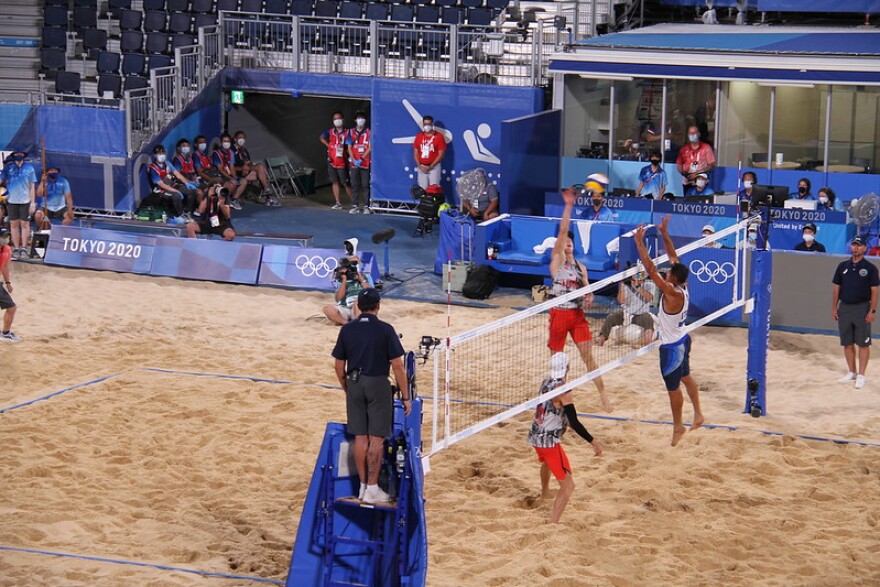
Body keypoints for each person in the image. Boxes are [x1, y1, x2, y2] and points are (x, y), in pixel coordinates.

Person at [332, 288, 411, 505]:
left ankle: (363, 487)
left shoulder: (347, 330)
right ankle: (374, 488)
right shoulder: (386, 330)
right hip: (377, 383)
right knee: (377, 439)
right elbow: (397, 366)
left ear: (358, 305)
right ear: (378, 306)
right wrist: (406, 396)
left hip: (355, 383)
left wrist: (347, 387)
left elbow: (339, 366)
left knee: (360, 437)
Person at [634, 215, 704, 447]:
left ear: (673, 279)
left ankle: (678, 426)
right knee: (687, 377)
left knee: (673, 389)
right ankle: (699, 413)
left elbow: (650, 269)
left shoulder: (671, 293)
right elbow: (673, 255)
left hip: (672, 348)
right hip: (683, 338)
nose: (666, 274)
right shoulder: (682, 284)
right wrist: (664, 232)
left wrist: (639, 243)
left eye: (668, 274)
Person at [548, 185, 611, 412]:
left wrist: (589, 296)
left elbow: (588, 290)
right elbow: (564, 230)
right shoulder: (557, 261)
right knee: (558, 363)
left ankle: (603, 394)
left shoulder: (581, 267)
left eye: (570, 242)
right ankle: (558, 399)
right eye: (565, 241)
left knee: (588, 358)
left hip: (576, 315)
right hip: (559, 313)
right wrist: (568, 206)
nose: (567, 243)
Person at [528, 352, 602, 524]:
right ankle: (553, 522)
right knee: (568, 486)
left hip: (535, 435)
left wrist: (564, 421)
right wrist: (593, 441)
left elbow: (553, 410)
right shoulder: (565, 391)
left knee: (546, 462)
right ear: (567, 367)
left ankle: (545, 492)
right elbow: (574, 422)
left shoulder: (546, 381)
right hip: (548, 442)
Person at [832, 236, 879, 390]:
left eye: (859, 246)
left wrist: (872, 310)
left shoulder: (871, 268)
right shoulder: (842, 266)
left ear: (864, 248)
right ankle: (851, 372)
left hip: (862, 308)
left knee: (863, 344)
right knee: (847, 342)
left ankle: (861, 374)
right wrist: (834, 307)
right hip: (845, 307)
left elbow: (874, 291)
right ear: (851, 247)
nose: (856, 248)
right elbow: (836, 287)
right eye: (854, 245)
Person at [595, 270, 657, 347]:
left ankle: (647, 346)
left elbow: (648, 298)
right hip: (626, 314)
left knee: (648, 320)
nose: (637, 278)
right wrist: (622, 284)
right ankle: (600, 344)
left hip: (641, 314)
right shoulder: (627, 286)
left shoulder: (649, 285)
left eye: (639, 276)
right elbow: (621, 301)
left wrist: (637, 286)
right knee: (610, 318)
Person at [0, 150, 36, 259]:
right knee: (13, 225)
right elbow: (1, 180)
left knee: (25, 225)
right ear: (13, 156)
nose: (18, 156)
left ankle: (24, 248)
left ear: (24, 155)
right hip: (12, 200)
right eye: (16, 154)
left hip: (25, 200)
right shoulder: (8, 168)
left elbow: (32, 186)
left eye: (20, 154)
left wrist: (33, 203)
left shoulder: (30, 168)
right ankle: (16, 248)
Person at [147, 144, 198, 220]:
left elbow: (177, 174)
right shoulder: (153, 168)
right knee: (176, 196)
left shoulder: (167, 163)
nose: (162, 155)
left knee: (192, 191)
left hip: (173, 185)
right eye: (159, 154)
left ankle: (187, 212)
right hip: (161, 190)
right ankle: (180, 215)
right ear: (155, 155)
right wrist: (176, 191)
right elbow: (162, 185)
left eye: (163, 153)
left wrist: (186, 183)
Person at [323, 253, 371, 325]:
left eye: (356, 263)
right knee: (326, 308)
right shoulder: (341, 278)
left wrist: (361, 280)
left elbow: (371, 293)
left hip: (360, 308)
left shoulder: (364, 277)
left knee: (358, 301)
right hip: (345, 308)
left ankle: (356, 322)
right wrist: (344, 280)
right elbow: (338, 298)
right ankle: (346, 323)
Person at [232, 130, 278, 207]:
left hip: (246, 173)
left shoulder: (244, 151)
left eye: (243, 138)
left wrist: (248, 165)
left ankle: (268, 198)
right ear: (234, 139)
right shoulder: (232, 150)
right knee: (260, 168)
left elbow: (249, 162)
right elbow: (231, 167)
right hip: (236, 173)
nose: (242, 140)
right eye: (239, 138)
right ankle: (268, 194)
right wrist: (242, 168)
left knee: (260, 170)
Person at [320, 112, 351, 210]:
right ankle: (338, 202)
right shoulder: (330, 131)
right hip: (332, 160)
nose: (337, 120)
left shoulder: (348, 132)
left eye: (339, 118)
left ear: (343, 119)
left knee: (346, 183)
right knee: (334, 181)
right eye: (335, 119)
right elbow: (321, 137)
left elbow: (351, 144)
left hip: (342, 160)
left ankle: (354, 203)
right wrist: (328, 145)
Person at [346, 111, 372, 214]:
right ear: (355, 120)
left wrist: (361, 158)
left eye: (362, 118)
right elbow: (349, 147)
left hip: (365, 162)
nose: (360, 120)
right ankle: (355, 205)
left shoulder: (369, 132)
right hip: (354, 163)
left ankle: (366, 206)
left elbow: (370, 147)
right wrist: (354, 159)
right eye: (359, 118)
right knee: (355, 184)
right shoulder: (350, 132)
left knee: (365, 184)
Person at [675, 125, 716, 190]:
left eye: (694, 133)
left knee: (701, 199)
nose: (692, 135)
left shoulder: (706, 147)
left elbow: (711, 165)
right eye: (690, 133)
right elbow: (679, 165)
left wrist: (698, 173)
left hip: (701, 181)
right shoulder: (684, 149)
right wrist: (684, 174)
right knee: (688, 198)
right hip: (688, 181)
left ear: (699, 134)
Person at [413, 114, 446, 189]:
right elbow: (415, 152)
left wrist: (431, 166)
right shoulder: (419, 136)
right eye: (425, 124)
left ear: (432, 124)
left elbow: (441, 154)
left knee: (434, 189)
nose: (427, 126)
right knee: (422, 189)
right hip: (421, 167)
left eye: (428, 124)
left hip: (434, 167)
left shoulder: (439, 137)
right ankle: (423, 201)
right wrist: (419, 166)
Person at [212, 133, 243, 210]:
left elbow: (232, 166)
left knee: (243, 181)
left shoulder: (231, 153)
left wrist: (235, 177)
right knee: (232, 183)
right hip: (219, 175)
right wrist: (230, 178)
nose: (227, 143)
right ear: (221, 143)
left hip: (228, 174)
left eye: (228, 141)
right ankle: (221, 202)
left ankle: (233, 200)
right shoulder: (216, 154)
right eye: (225, 141)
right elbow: (220, 169)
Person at [171, 139, 205, 210]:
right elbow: (178, 176)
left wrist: (195, 179)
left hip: (190, 182)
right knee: (199, 192)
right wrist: (189, 182)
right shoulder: (177, 160)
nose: (186, 147)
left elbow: (192, 173)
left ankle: (203, 209)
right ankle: (188, 211)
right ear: (179, 148)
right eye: (183, 146)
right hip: (180, 183)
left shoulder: (189, 159)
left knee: (208, 188)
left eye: (187, 146)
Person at [0, 229, 19, 342]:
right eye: (3, 236)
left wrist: (8, 283)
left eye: (7, 236)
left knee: (11, 308)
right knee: (12, 307)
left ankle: (5, 333)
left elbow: (4, 267)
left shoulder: (7, 249)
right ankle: (5, 333)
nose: (5, 238)